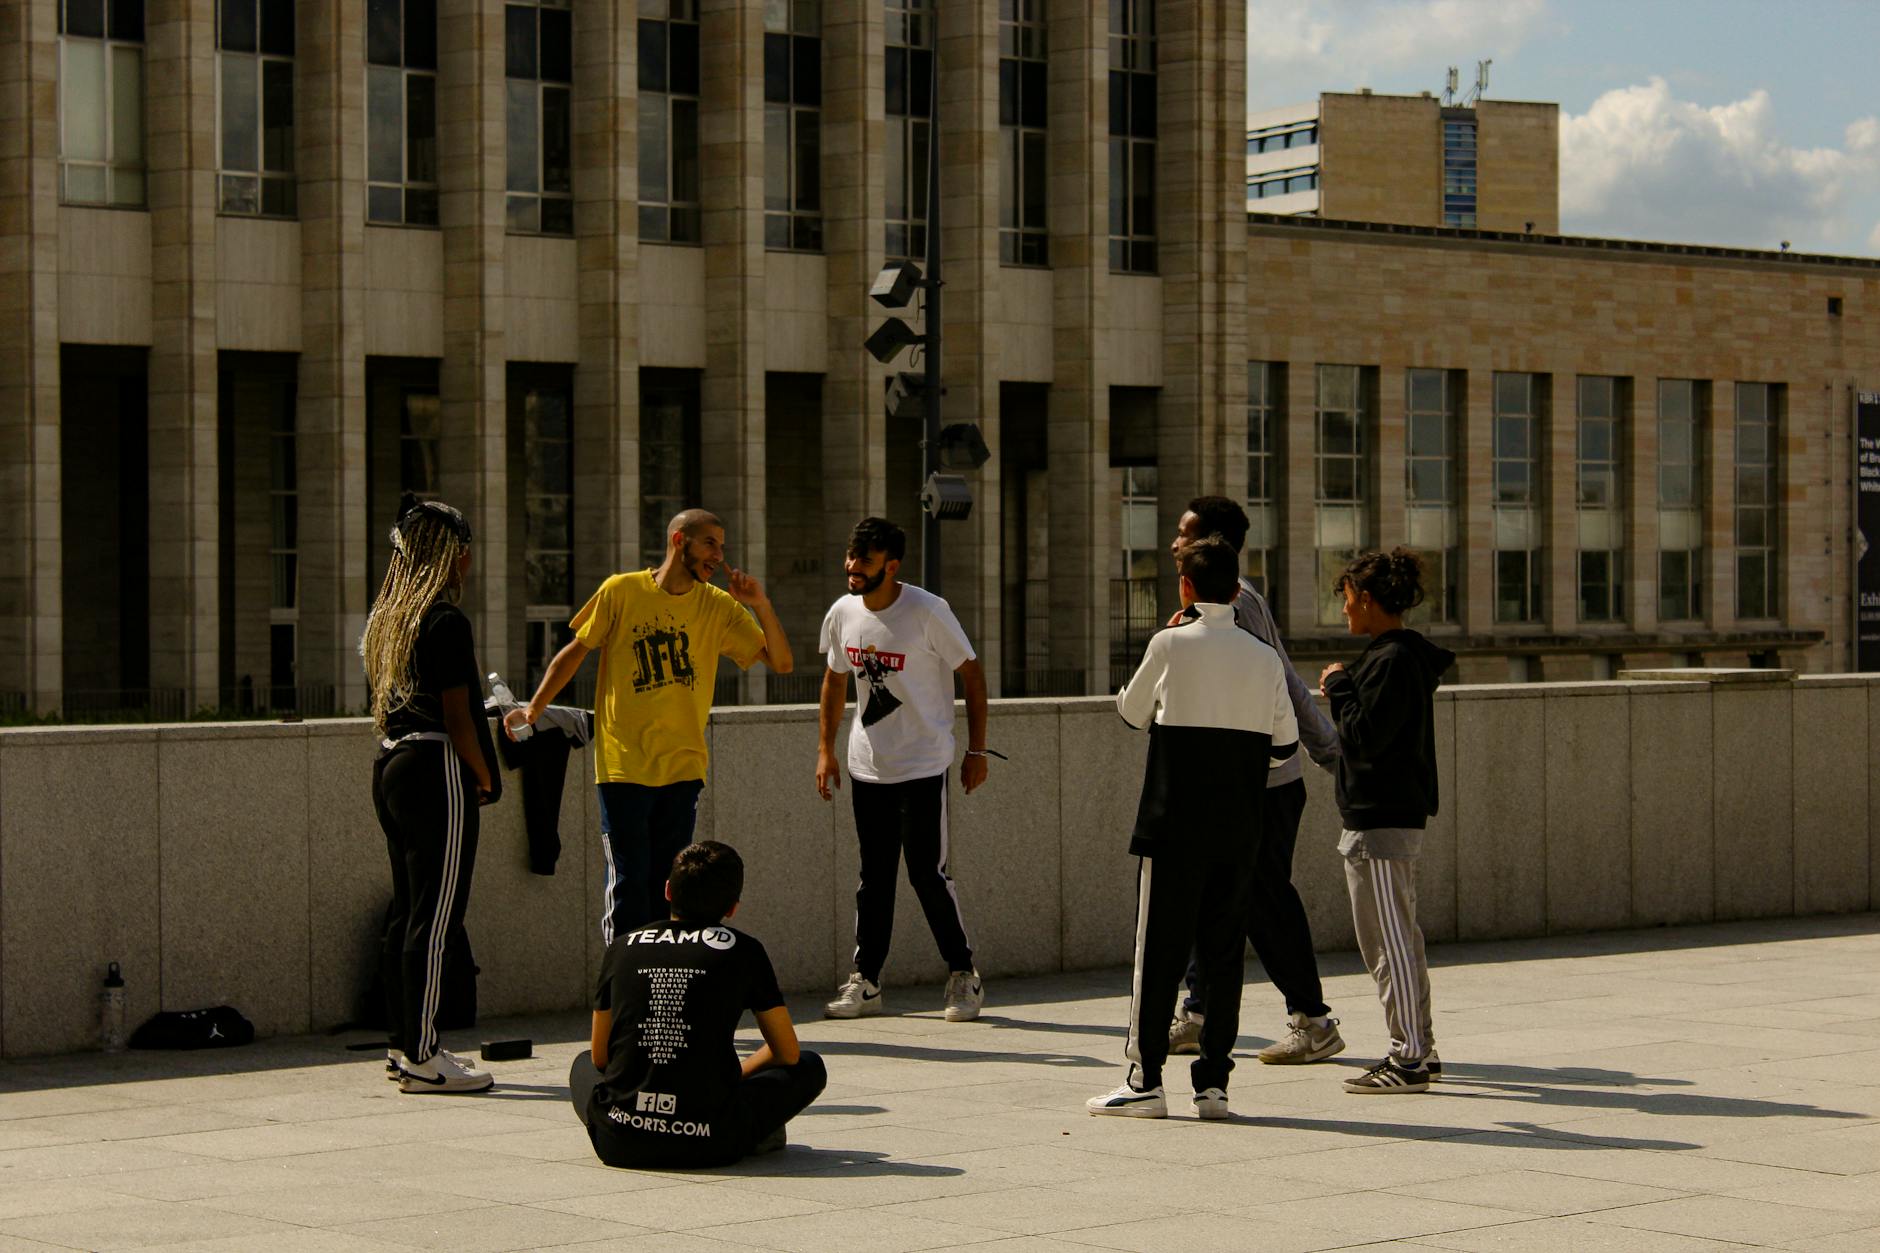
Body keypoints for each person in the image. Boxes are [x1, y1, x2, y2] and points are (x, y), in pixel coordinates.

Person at [505, 509, 793, 944]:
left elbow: (782, 663)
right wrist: (533, 711)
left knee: (669, 887)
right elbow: (575, 652)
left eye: (721, 546)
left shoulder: (718, 606)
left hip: (683, 768)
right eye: (710, 543)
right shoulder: (621, 591)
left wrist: (761, 605)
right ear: (679, 541)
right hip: (624, 767)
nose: (719, 556)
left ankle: (659, 974)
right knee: (628, 883)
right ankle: (621, 979)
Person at [1087, 537, 1298, 1120]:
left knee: (1157, 952)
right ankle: (1213, 1085)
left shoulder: (1169, 643)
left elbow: (1130, 712)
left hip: (1172, 825)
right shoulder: (1263, 656)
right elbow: (1285, 747)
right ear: (1238, 590)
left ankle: (1145, 1079)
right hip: (1239, 828)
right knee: (1223, 955)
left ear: (1185, 587)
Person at [1164, 497, 1345, 1065]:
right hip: (1245, 784)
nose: (1174, 543)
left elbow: (1279, 682)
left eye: (1184, 534)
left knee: (1264, 901)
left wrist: (1328, 749)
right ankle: (1197, 1014)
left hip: (1260, 785)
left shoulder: (1230, 608)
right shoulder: (1233, 600)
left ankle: (1314, 1021)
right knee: (1214, 895)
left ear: (1211, 544)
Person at [815, 517, 989, 1022]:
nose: (852, 567)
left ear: (891, 566)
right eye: (851, 556)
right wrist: (826, 749)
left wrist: (977, 751)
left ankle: (964, 974)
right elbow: (834, 680)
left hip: (923, 765)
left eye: (865, 560)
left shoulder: (928, 611)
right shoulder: (843, 612)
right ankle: (866, 981)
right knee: (873, 878)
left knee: (926, 875)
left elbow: (972, 676)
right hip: (868, 766)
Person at [569, 841, 827, 1168]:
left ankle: (633, 1125)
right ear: (732, 908)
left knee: (582, 1064)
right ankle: (755, 1130)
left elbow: (600, 1057)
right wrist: (738, 1074)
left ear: (667, 891)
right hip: (712, 1140)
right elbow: (787, 1053)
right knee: (809, 1066)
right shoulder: (745, 950)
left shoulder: (621, 948)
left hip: (619, 1141)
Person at [363, 496, 498, 1094]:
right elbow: (458, 715)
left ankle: (405, 1045)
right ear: (449, 555)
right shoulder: (445, 620)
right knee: (437, 917)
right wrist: (484, 774)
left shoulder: (387, 622)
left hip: (393, 763)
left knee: (407, 913)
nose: (468, 560)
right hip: (436, 762)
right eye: (464, 550)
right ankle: (423, 1055)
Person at [1318, 548, 1454, 1094]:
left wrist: (1337, 685)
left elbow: (1363, 736)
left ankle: (1409, 1058)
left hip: (1381, 818)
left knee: (1389, 942)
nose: (1344, 609)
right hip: (1387, 815)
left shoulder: (1391, 661)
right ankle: (1420, 1047)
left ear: (1368, 599)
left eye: (1348, 598)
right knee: (1396, 939)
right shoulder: (1398, 658)